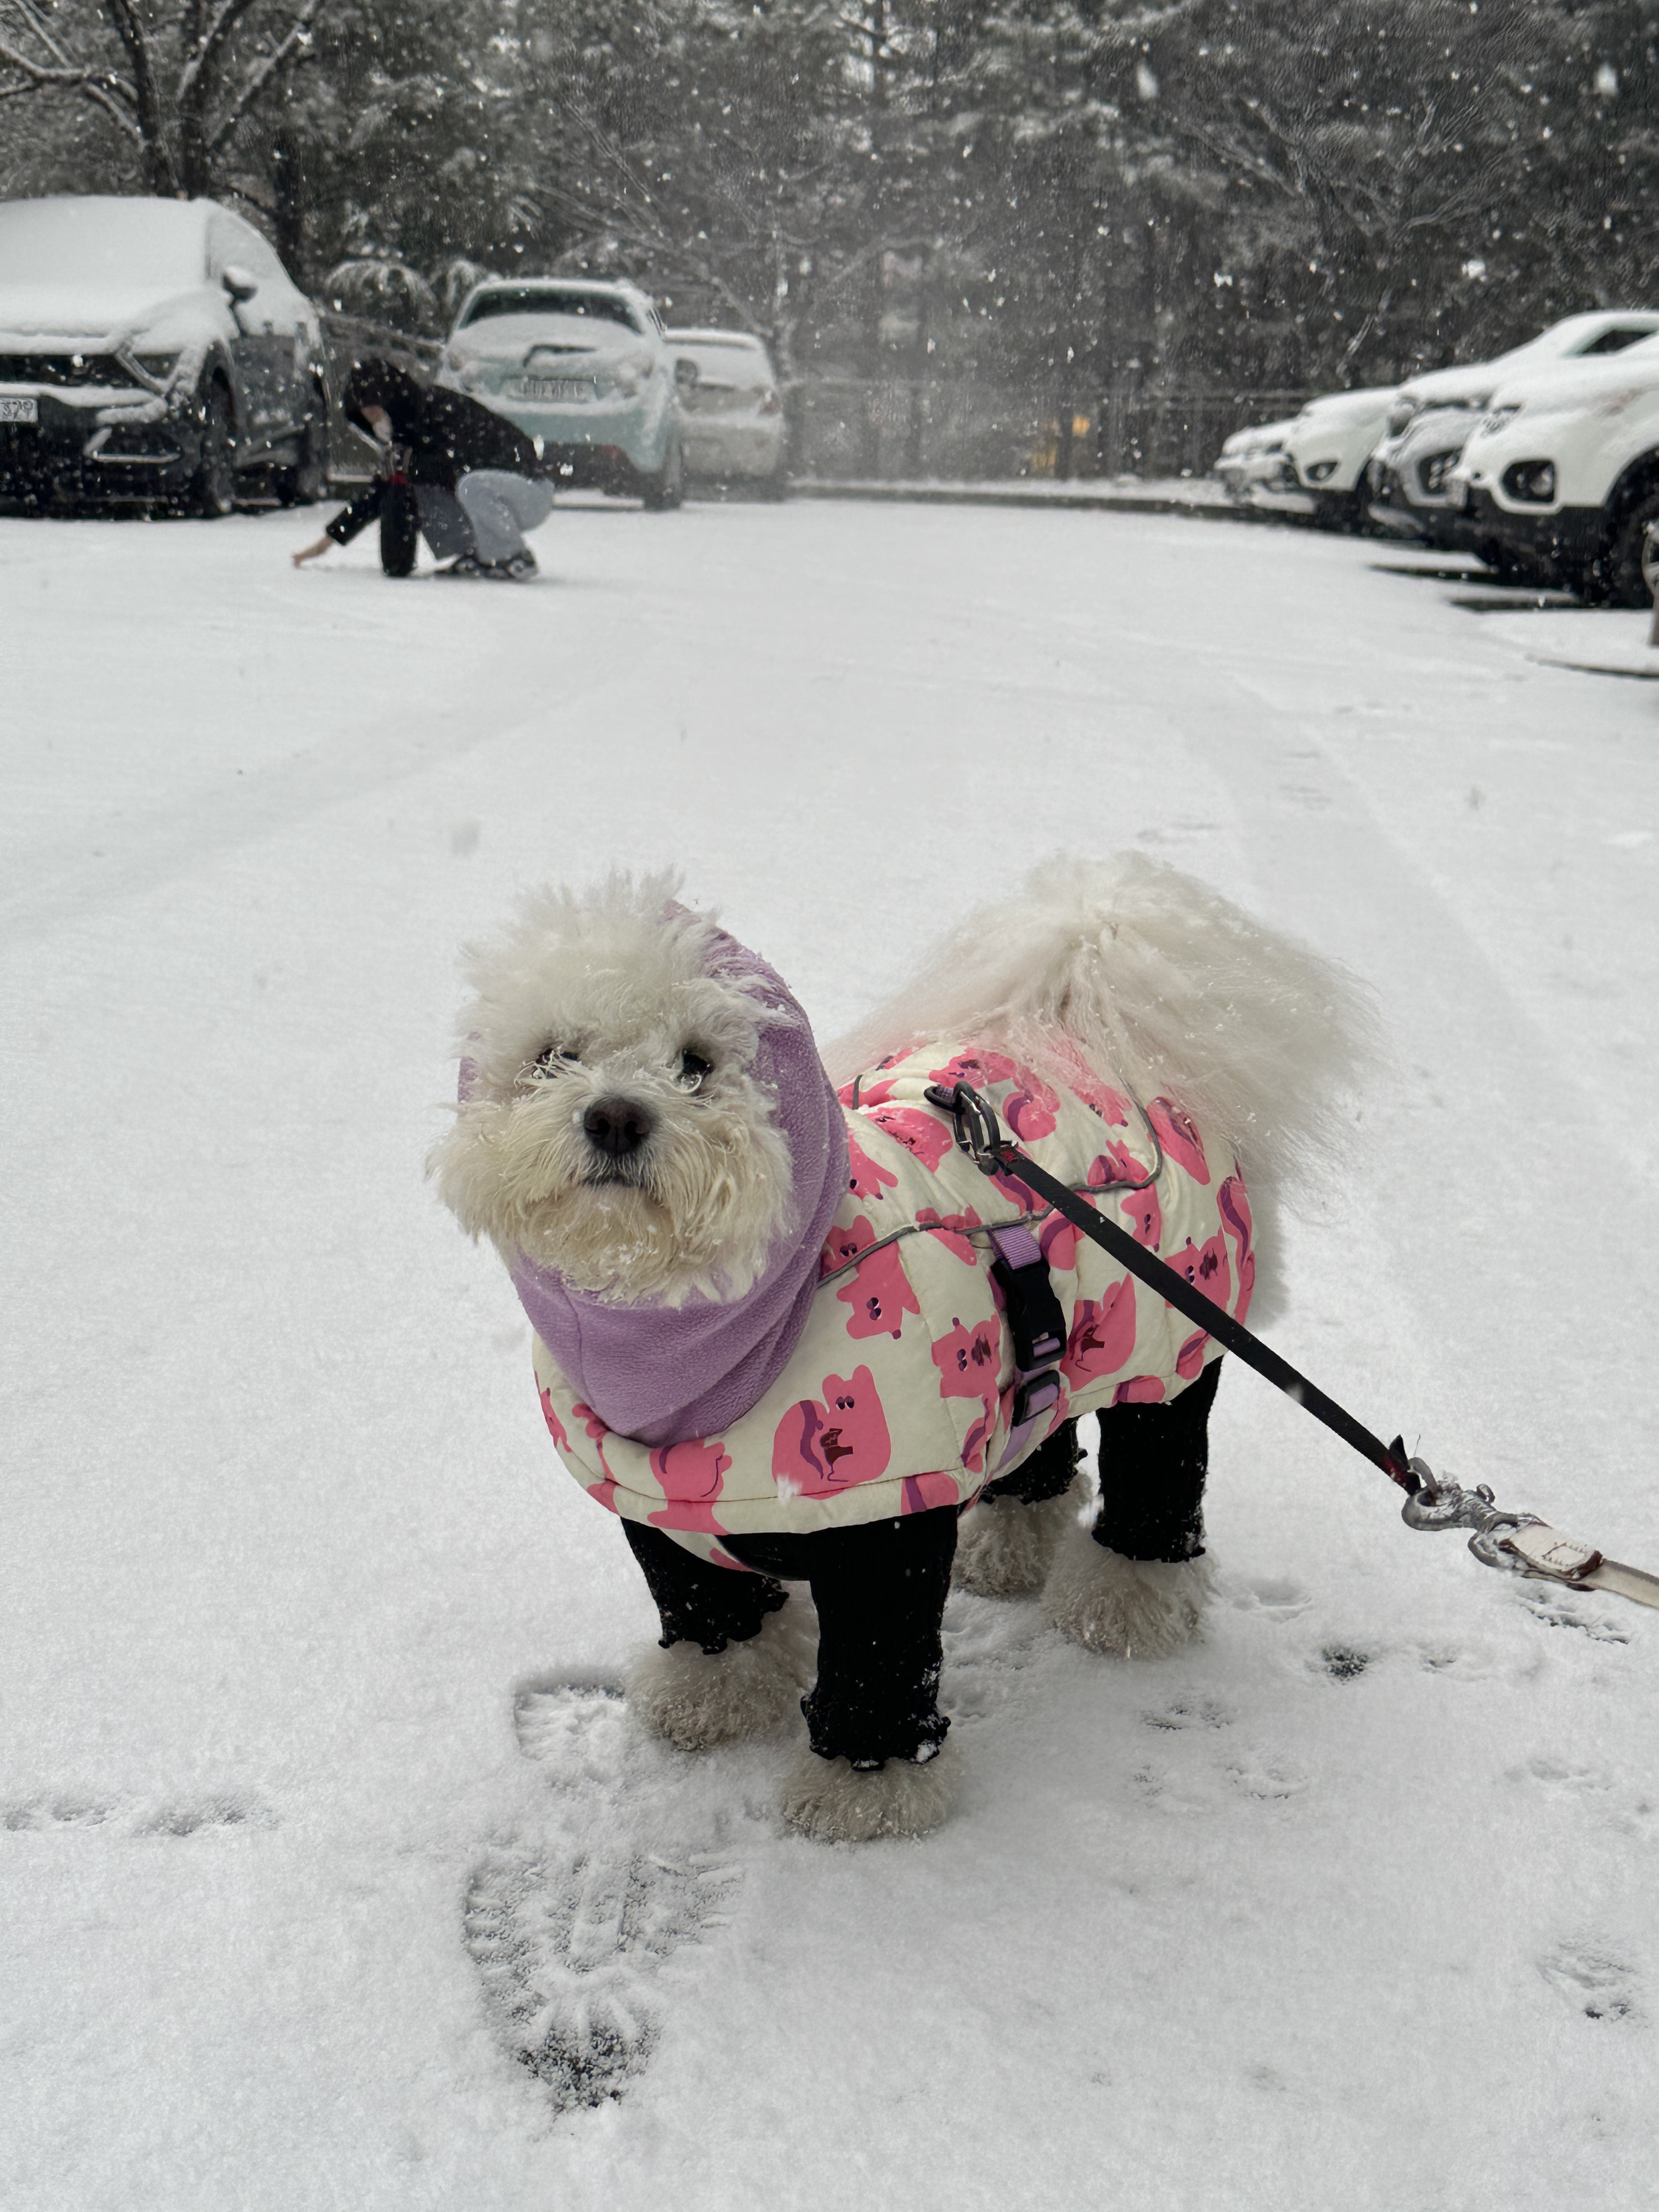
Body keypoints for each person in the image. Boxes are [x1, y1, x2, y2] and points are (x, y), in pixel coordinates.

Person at [291, 359, 554, 579]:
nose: (373, 421)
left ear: (391, 401)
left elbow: (452, 465)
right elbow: (380, 491)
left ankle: (512, 555)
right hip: (495, 496)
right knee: (418, 486)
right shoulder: (408, 437)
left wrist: (410, 469)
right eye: (365, 415)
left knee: (466, 484)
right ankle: (478, 552)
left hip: (529, 492)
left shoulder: (437, 412)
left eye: (374, 410)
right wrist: (328, 541)